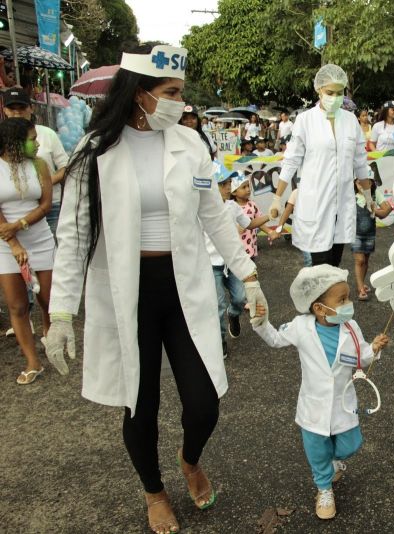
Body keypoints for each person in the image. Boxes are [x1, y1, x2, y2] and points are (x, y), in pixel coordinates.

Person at [43, 46, 269, 534]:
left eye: (181, 93)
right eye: (171, 93)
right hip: (129, 293)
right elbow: (75, 235)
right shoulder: (94, 151)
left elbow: (214, 216)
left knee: (204, 401)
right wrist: (61, 313)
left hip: (183, 287)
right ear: (141, 93)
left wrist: (247, 274)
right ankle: (154, 491)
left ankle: (190, 459)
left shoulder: (190, 143)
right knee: (139, 403)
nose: (180, 103)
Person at [252, 265, 389, 520]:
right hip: (313, 407)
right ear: (318, 308)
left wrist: (374, 348)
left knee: (351, 444)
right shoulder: (300, 327)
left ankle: (333, 463)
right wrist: (261, 322)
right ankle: (324, 488)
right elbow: (274, 339)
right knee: (317, 450)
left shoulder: (351, 328)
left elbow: (361, 358)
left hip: (343, 403)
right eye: (342, 300)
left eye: (348, 297)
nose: (348, 304)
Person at [270, 64, 372, 267]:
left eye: (339, 93)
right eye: (329, 92)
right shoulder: (305, 120)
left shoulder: (351, 121)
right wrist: (276, 198)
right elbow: (291, 161)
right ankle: (319, 300)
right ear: (319, 90)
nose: (334, 97)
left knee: (334, 267)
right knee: (319, 269)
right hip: (315, 205)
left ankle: (330, 298)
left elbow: (360, 162)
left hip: (342, 205)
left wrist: (368, 196)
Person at [0, 118, 53, 384]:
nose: (37, 142)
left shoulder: (39, 164)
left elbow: (46, 205)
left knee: (47, 298)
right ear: (14, 142)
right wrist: (13, 242)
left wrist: (19, 224)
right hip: (5, 243)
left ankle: (49, 332)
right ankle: (33, 361)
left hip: (40, 237)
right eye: (32, 139)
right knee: (17, 305)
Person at [207, 164, 271, 358]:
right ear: (211, 186)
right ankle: (220, 341)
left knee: (240, 298)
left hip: (232, 263)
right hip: (211, 265)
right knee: (216, 306)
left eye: (228, 183)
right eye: (223, 184)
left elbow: (249, 224)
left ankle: (233, 314)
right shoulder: (204, 209)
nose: (228, 187)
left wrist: (271, 215)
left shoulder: (232, 206)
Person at [3, 88, 68, 239]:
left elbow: (66, 167)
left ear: (31, 108)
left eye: (22, 108)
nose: (17, 113)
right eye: (12, 109)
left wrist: (45, 184)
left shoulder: (47, 134)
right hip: (10, 211)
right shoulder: (2, 140)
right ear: (5, 110)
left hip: (50, 208)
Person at [352, 180, 392, 301]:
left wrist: (375, 210)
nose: (362, 186)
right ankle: (360, 289)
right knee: (360, 260)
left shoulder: (375, 194)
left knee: (366, 261)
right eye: (359, 183)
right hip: (354, 234)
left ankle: (362, 283)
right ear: (354, 183)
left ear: (371, 184)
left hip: (370, 234)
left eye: (366, 183)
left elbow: (386, 210)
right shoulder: (351, 195)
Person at [267, 184, 313, 267]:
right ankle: (309, 277)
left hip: (319, 233)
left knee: (322, 261)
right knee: (309, 259)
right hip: (304, 234)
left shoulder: (321, 192)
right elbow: (287, 211)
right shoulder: (296, 192)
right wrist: (278, 230)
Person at [231, 175, 270, 259]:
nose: (248, 189)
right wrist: (235, 228)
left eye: (248, 186)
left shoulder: (252, 205)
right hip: (236, 253)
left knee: (251, 270)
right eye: (244, 187)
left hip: (250, 249)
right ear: (234, 192)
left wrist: (269, 232)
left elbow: (258, 222)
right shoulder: (231, 207)